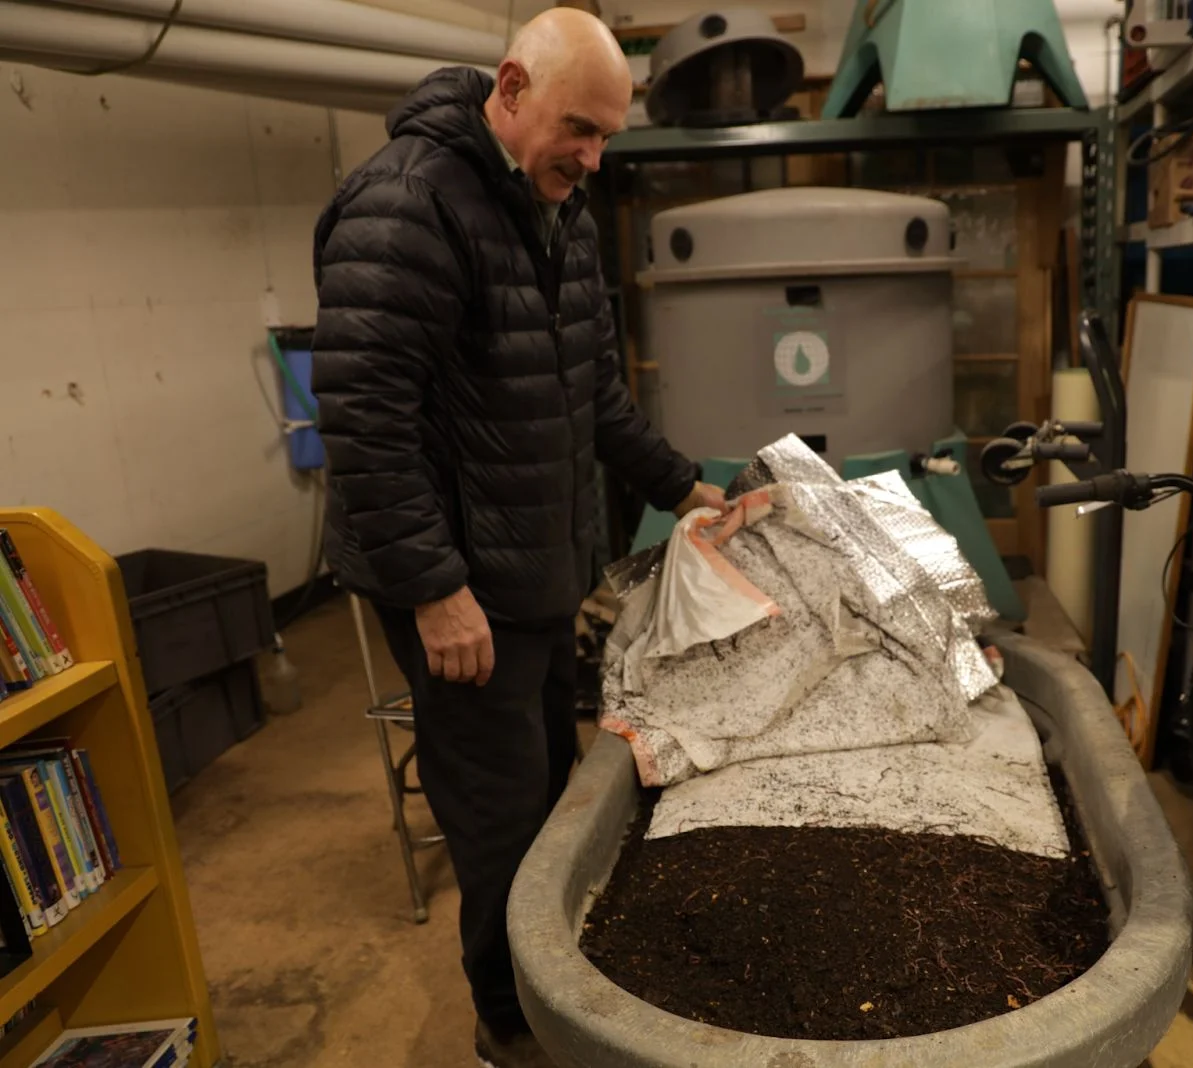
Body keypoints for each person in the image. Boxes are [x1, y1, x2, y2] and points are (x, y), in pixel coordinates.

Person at [310, 9, 724, 1066]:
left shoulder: (559, 209)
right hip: (463, 590)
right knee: (499, 822)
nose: (592, 158)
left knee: (551, 796)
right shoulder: (407, 204)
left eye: (606, 137)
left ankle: (551, 985)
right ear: (509, 89)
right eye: (578, 128)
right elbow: (364, 419)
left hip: (536, 572)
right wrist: (432, 588)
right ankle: (511, 1027)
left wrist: (685, 489)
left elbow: (592, 395)